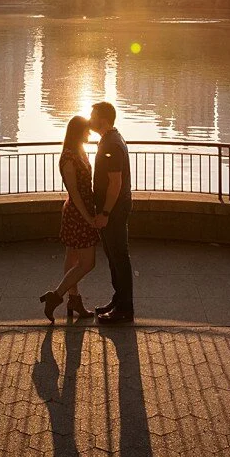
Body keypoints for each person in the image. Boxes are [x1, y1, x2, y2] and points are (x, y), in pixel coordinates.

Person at [39, 115, 100, 321]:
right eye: (86, 130)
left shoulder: (79, 152)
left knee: (72, 258)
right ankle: (55, 296)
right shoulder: (68, 158)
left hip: (80, 210)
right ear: (78, 132)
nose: (89, 133)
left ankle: (75, 300)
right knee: (87, 263)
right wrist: (88, 218)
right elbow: (74, 192)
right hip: (77, 213)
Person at [88, 100, 134, 323]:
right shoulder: (110, 139)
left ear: (103, 120)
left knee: (119, 257)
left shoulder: (111, 144)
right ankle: (119, 299)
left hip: (114, 211)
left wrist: (104, 213)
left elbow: (115, 183)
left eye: (93, 115)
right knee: (114, 257)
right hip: (114, 209)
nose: (89, 119)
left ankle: (125, 309)